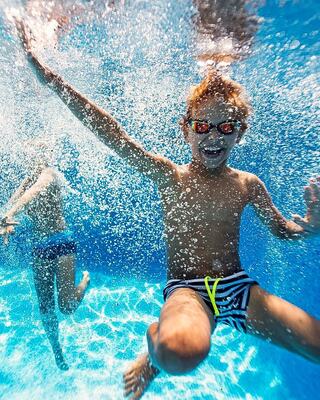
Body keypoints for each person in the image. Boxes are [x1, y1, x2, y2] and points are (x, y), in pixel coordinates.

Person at [14, 20, 320, 398]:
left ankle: (158, 356)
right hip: (188, 292)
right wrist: (53, 81)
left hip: (238, 288)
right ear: (185, 128)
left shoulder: (248, 185)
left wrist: (307, 228)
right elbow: (112, 134)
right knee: (177, 355)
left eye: (226, 128)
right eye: (203, 125)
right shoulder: (169, 176)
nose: (213, 135)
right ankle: (152, 358)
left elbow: (281, 232)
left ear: (241, 132)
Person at [0, 141, 90, 371]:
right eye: (32, 154)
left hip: (61, 241)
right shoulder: (28, 180)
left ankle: (85, 281)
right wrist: (6, 221)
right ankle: (57, 350)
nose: (36, 158)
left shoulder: (49, 174)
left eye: (41, 153)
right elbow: (14, 201)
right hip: (40, 247)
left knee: (67, 307)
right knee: (46, 307)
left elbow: (34, 193)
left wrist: (10, 213)